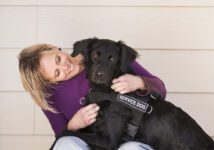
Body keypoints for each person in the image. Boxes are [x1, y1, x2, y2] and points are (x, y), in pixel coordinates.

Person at [18, 42, 166, 150]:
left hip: (132, 137)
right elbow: (61, 137)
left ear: (54, 47)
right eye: (57, 72)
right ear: (50, 81)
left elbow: (161, 90)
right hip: (94, 144)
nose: (65, 67)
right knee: (65, 145)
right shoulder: (50, 97)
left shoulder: (100, 53)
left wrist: (139, 82)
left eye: (58, 59)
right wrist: (73, 125)